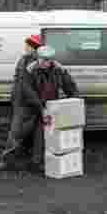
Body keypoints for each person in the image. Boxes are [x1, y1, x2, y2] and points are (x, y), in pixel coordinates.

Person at [20, 45, 79, 174]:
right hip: (33, 107)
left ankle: (44, 161)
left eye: (49, 60)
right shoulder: (29, 71)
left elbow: (69, 85)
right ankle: (35, 162)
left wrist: (74, 102)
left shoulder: (59, 70)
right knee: (37, 133)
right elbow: (28, 92)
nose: (46, 62)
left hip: (52, 106)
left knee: (49, 132)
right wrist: (41, 109)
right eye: (43, 59)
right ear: (38, 58)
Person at [0, 34, 43, 170]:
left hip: (26, 103)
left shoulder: (31, 61)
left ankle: (9, 161)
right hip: (26, 102)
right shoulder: (27, 59)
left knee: (17, 133)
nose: (25, 47)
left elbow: (26, 85)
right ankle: (31, 160)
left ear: (34, 48)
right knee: (26, 133)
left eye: (28, 45)